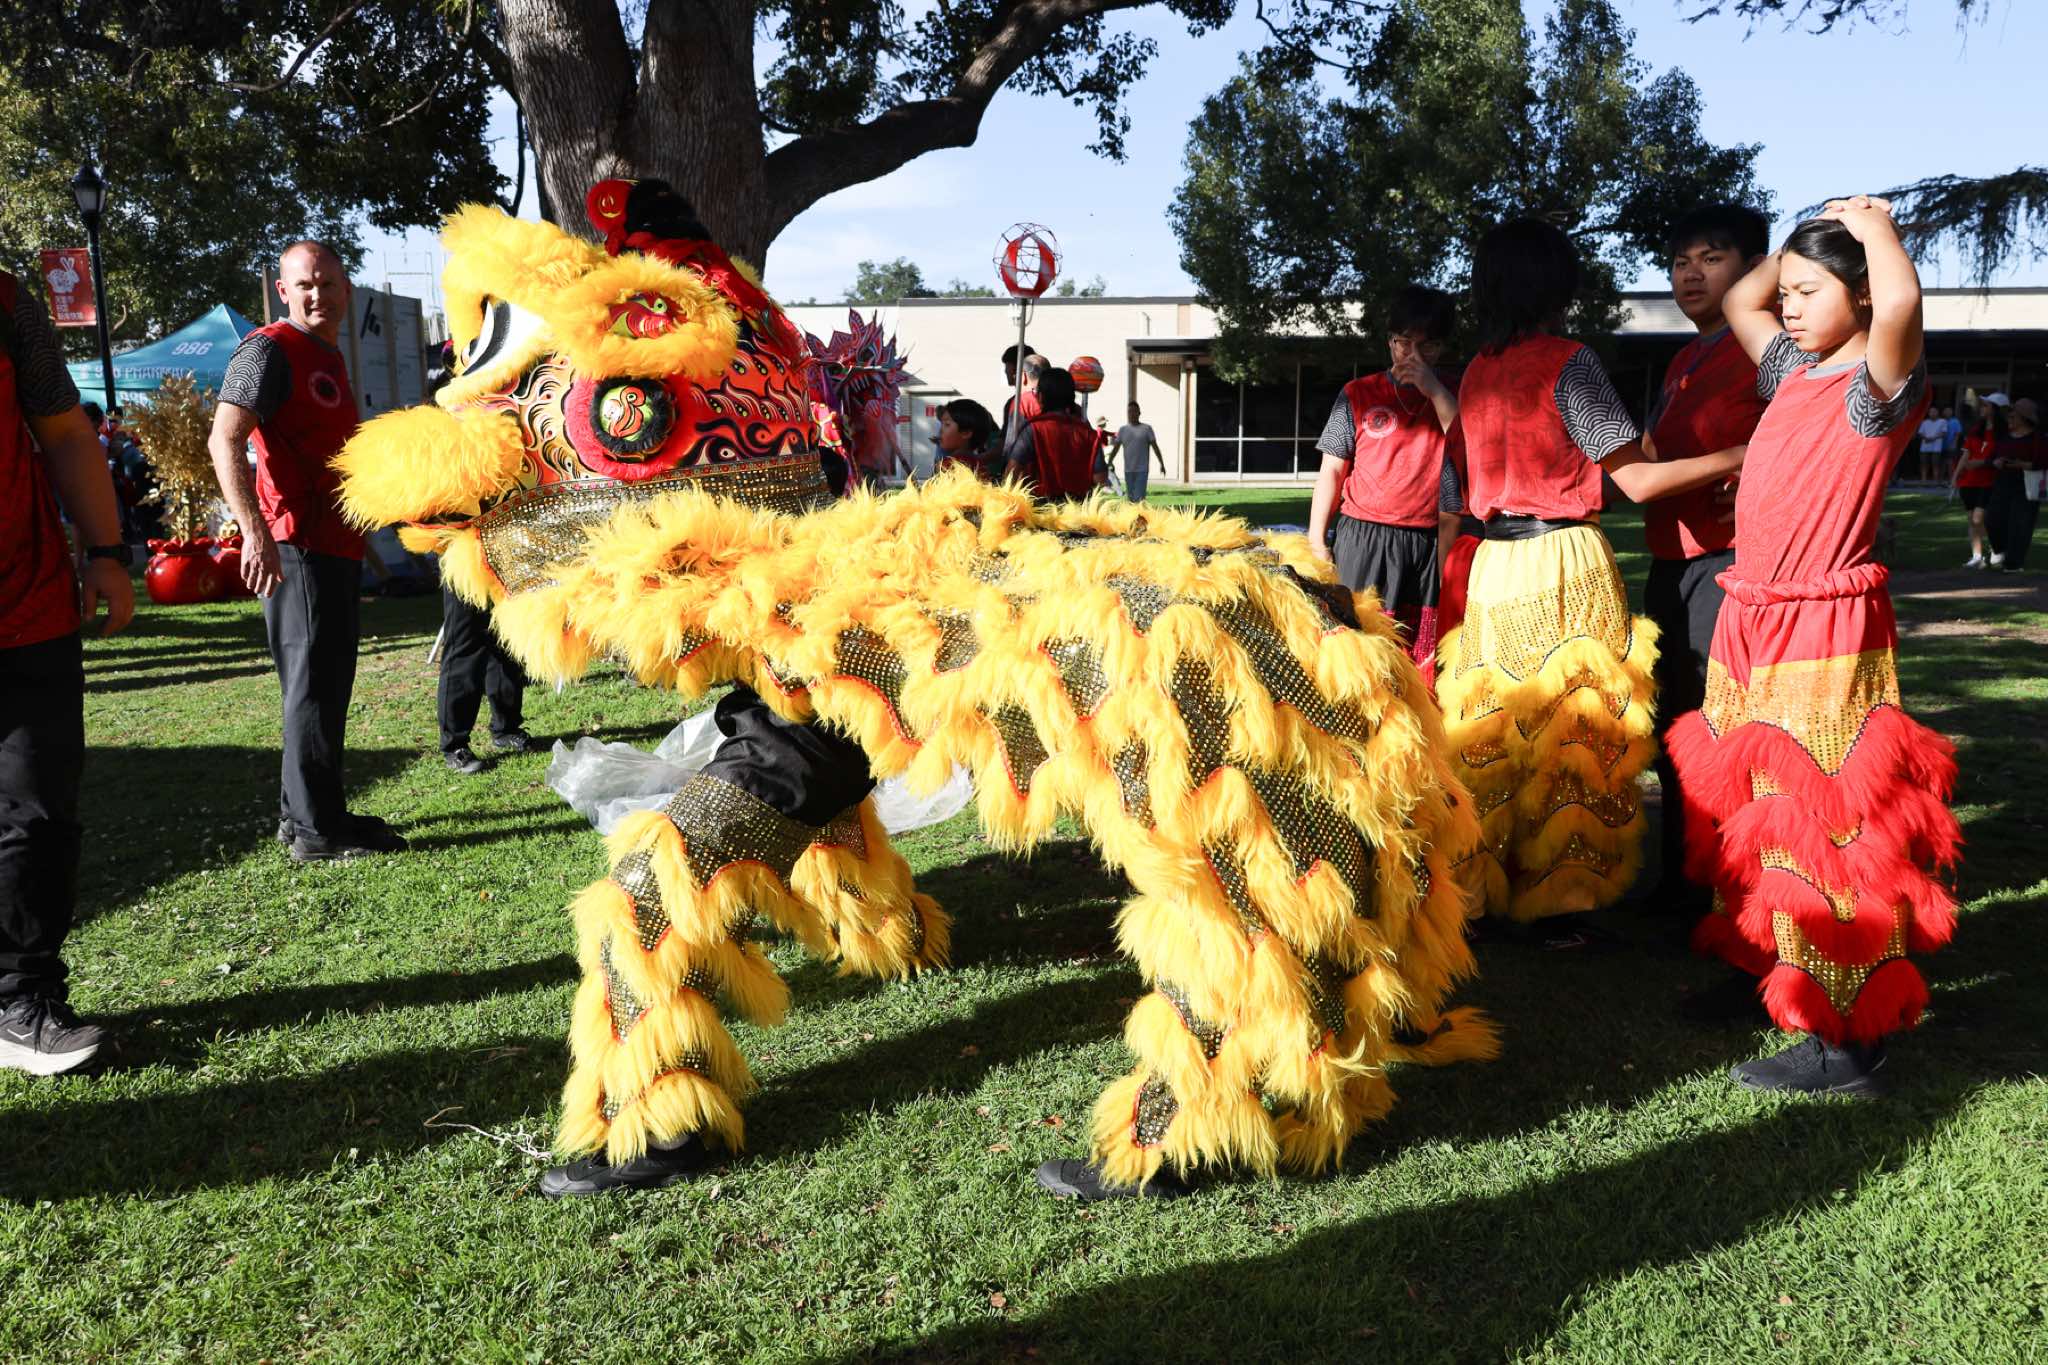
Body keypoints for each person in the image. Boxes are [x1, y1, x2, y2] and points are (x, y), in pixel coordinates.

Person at [1669, 196, 1956, 1095]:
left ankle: (1846, 1037)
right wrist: (1800, 232)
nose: (1786, 306)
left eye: (1809, 291)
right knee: (1753, 814)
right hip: (1750, 615)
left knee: (1826, 827)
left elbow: (1902, 303)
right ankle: (1771, 974)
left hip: (1822, 627)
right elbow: (1742, 303)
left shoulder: (1876, 385)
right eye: (1787, 291)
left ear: (1860, 296)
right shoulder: (1793, 370)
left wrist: (1874, 229)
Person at [1437, 217, 1745, 944]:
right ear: (1557, 283)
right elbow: (1636, 480)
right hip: (1561, 559)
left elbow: (1457, 483)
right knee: (1569, 727)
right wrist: (1743, 453)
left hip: (1494, 567)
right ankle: (1561, 899)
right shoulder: (1570, 362)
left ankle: (1488, 890)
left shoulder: (1476, 370)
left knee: (1493, 725)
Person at [208, 240, 407, 862]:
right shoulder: (268, 348)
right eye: (304, 284)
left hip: (333, 545)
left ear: (347, 290)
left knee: (324, 683)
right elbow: (224, 439)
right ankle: (317, 833)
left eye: (328, 283)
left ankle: (310, 815)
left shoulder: (327, 355)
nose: (317, 294)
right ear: (283, 292)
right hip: (295, 546)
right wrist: (256, 532)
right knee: (313, 685)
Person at [0, 266, 135, 1075]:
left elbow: (65, 432)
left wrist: (108, 551)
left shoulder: (9, 303)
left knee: (39, 809)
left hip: (29, 602)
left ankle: (23, 1001)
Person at [1639, 204, 1770, 924]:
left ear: (1753, 269)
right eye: (1680, 261)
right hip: (1671, 559)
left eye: (1712, 258)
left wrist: (1759, 468)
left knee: (1722, 730)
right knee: (1675, 727)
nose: (1691, 274)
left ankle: (1730, 894)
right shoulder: (1685, 358)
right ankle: (1682, 880)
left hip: (1730, 564)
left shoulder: (1767, 348)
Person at [1307, 285, 1460, 681]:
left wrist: (1434, 390)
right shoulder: (1358, 393)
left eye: (1427, 346)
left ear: (1442, 347)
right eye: (1404, 342)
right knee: (1358, 648)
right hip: (1364, 537)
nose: (1413, 355)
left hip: (1429, 542)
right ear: (1390, 340)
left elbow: (1468, 444)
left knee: (1419, 655)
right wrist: (1317, 540)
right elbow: (1331, 470)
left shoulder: (1455, 393)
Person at [429, 356, 531, 774]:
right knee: (466, 641)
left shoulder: (511, 408)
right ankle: (455, 742)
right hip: (465, 546)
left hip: (510, 540)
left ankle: (507, 725)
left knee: (509, 635)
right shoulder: (445, 422)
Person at [1004, 367, 1102, 500]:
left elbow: (1012, 473)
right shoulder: (1089, 434)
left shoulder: (1033, 429)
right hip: (1079, 508)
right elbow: (1100, 478)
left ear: (1040, 396)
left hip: (1040, 508)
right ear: (1072, 398)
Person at [1984, 396, 2044, 572]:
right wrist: (1995, 462)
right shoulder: (2005, 438)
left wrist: (2024, 464)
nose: (2009, 418)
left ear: (2024, 419)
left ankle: (2014, 563)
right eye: (2009, 415)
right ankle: (2001, 551)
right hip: (2003, 483)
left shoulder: (2037, 439)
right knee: (1992, 519)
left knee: (2020, 524)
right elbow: (1991, 458)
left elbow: (2043, 462)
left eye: (2013, 416)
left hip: (2027, 485)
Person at [1956, 402, 2000, 568]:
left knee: (1979, 519)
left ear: (1995, 409)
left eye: (1986, 406)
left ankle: (1996, 548)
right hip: (1968, 481)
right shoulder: (1975, 430)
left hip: (1989, 481)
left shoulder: (2002, 432)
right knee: (1972, 520)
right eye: (1981, 406)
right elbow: (1966, 455)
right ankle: (1977, 556)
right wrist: (1955, 476)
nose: (1982, 409)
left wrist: (1981, 463)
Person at [933, 397, 1000, 481]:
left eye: (947, 424)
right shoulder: (979, 465)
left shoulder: (948, 465)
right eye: (942, 424)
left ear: (966, 433)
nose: (940, 430)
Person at [1111, 401, 1165, 502]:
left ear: (1139, 413)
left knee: (1139, 499)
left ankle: (1140, 511)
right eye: (1130, 411)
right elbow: (1116, 448)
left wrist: (1161, 464)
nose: (1132, 414)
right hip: (1128, 470)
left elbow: (1155, 447)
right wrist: (1109, 461)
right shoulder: (1123, 430)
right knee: (1131, 499)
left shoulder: (1147, 429)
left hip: (1142, 470)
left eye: (1134, 411)